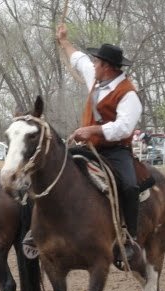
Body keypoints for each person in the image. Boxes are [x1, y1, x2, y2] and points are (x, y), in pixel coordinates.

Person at [31, 23, 142, 269]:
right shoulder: (97, 77)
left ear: (108, 68)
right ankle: (40, 228)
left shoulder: (129, 95)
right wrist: (64, 41)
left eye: (97, 62)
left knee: (130, 185)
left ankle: (129, 239)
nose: (93, 65)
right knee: (53, 171)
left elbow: (123, 128)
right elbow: (79, 60)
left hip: (115, 151)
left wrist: (92, 130)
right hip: (89, 148)